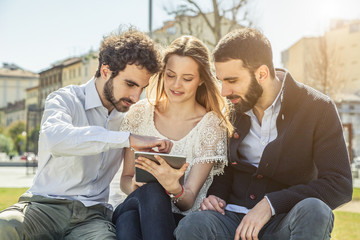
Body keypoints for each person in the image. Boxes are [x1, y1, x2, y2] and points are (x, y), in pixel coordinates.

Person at [175, 28, 353, 240]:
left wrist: (271, 204)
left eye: (232, 81)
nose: (224, 91)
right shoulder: (232, 111)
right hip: (231, 219)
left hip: (285, 221)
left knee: (315, 210)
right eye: (221, 80)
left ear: (261, 74)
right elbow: (226, 169)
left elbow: (339, 184)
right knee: (193, 225)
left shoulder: (318, 108)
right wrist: (216, 195)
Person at [0, 28, 173, 240]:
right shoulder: (65, 99)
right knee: (4, 226)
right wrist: (125, 139)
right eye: (130, 84)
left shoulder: (131, 116)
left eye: (142, 88)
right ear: (105, 70)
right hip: (43, 208)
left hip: (92, 217)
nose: (136, 96)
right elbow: (56, 139)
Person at [111, 35, 233, 240]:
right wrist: (133, 185)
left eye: (187, 79)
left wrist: (173, 186)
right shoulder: (139, 114)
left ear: (201, 79)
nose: (176, 85)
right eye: (170, 75)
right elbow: (125, 179)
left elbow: (188, 201)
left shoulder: (211, 125)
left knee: (129, 220)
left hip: (178, 220)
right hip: (136, 205)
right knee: (150, 192)